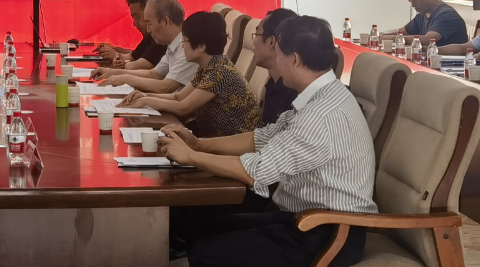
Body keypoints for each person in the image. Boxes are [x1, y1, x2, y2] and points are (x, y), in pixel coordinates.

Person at [161, 16, 377, 267]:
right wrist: (199, 144)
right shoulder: (321, 95)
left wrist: (191, 156)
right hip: (303, 220)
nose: (275, 58)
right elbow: (264, 137)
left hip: (329, 233)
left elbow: (256, 171)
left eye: (279, 52)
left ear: (294, 59)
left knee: (209, 252)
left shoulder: (320, 115)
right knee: (209, 227)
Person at [120, 11, 260, 138]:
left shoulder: (219, 73)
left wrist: (146, 101)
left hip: (231, 146)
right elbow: (178, 97)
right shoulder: (207, 67)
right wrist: (144, 96)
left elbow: (183, 107)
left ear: (201, 46)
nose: (182, 45)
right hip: (212, 139)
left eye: (185, 40)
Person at [91, 0, 199, 93]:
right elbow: (154, 74)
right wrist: (110, 72)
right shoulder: (173, 44)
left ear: (165, 21)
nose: (148, 29)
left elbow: (165, 87)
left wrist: (125, 78)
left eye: (149, 23)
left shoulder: (188, 47)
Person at [98, 0, 163, 64]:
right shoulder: (151, 35)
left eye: (128, 0)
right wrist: (115, 51)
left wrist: (117, 57)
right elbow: (139, 55)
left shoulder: (160, 34)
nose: (135, 23)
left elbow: (146, 66)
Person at [389, 0, 467, 48]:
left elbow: (428, 40)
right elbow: (400, 31)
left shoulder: (447, 15)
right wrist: (382, 35)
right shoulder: (422, 15)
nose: (413, 5)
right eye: (410, 1)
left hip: (449, 59)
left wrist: (391, 38)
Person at [252, 8, 299, 124]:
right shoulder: (273, 83)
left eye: (256, 35)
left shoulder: (294, 95)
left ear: (271, 42)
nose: (253, 42)